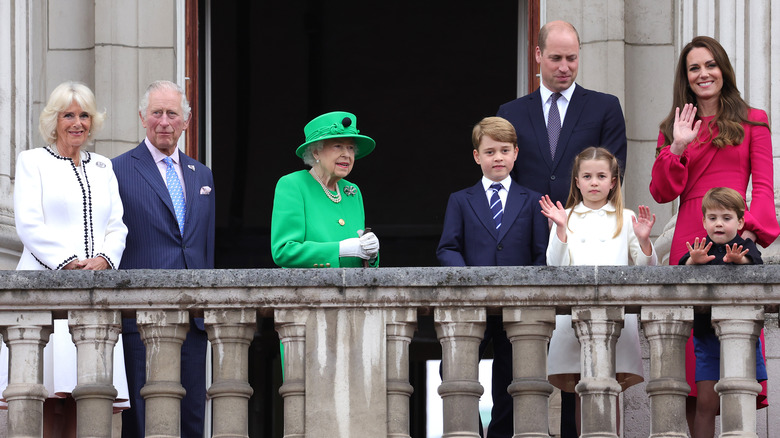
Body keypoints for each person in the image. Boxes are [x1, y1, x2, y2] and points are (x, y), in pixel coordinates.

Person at [649, 35, 779, 433]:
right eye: (694, 68)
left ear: (723, 68)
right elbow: (661, 191)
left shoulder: (754, 119)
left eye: (710, 65)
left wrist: (750, 236)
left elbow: (764, 188)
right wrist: (678, 146)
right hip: (690, 238)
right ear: (685, 78)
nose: (703, 74)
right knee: (690, 373)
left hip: (735, 239)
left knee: (732, 356)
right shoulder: (673, 126)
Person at [6, 81, 129, 435]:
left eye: (84, 115)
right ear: (54, 120)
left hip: (96, 292)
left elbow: (116, 225)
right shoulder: (33, 161)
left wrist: (104, 258)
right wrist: (70, 262)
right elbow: (29, 224)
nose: (77, 123)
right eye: (69, 115)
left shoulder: (104, 166)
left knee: (90, 394)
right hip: (48, 291)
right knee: (47, 395)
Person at [112, 80, 215, 438]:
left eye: (172, 113)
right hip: (140, 317)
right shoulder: (117, 170)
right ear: (143, 117)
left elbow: (203, 246)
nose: (164, 121)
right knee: (143, 419)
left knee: (191, 415)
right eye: (157, 113)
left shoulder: (202, 175)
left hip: (193, 318)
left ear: (186, 121)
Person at [437, 117, 548, 437]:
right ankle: (471, 429)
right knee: (456, 370)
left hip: (518, 306)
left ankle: (500, 433)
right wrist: (469, 280)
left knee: (512, 376)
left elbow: (540, 254)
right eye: (489, 151)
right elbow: (447, 248)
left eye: (504, 150)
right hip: (473, 305)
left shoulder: (532, 199)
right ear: (477, 156)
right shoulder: (460, 200)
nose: (497, 157)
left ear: (515, 153)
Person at [540, 146, 655, 435]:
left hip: (614, 315)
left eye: (601, 176)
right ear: (576, 181)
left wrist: (643, 241)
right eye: (587, 176)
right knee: (583, 388)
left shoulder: (626, 217)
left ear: (613, 181)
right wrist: (562, 229)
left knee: (610, 386)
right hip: (575, 317)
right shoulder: (564, 215)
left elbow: (646, 269)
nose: (594, 182)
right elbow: (554, 266)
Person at [497, 20, 627, 205]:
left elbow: (614, 175)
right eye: (556, 58)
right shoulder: (510, 113)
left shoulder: (606, 108)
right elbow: (503, 176)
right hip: (528, 226)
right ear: (538, 54)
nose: (564, 68)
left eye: (571, 58)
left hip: (585, 227)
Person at [678, 187, 768, 438]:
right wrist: (691, 261)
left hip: (743, 339)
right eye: (713, 218)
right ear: (704, 221)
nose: (719, 224)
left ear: (740, 221)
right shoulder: (701, 247)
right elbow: (678, 269)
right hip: (707, 338)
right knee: (705, 403)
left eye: (726, 218)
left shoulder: (744, 246)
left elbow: (758, 266)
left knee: (740, 398)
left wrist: (741, 262)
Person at [271, 111, 379, 269]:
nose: (347, 154)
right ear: (316, 152)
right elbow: (284, 251)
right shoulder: (293, 185)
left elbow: (361, 262)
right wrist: (339, 249)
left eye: (350, 147)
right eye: (338, 146)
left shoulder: (352, 191)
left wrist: (371, 255)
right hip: (310, 291)